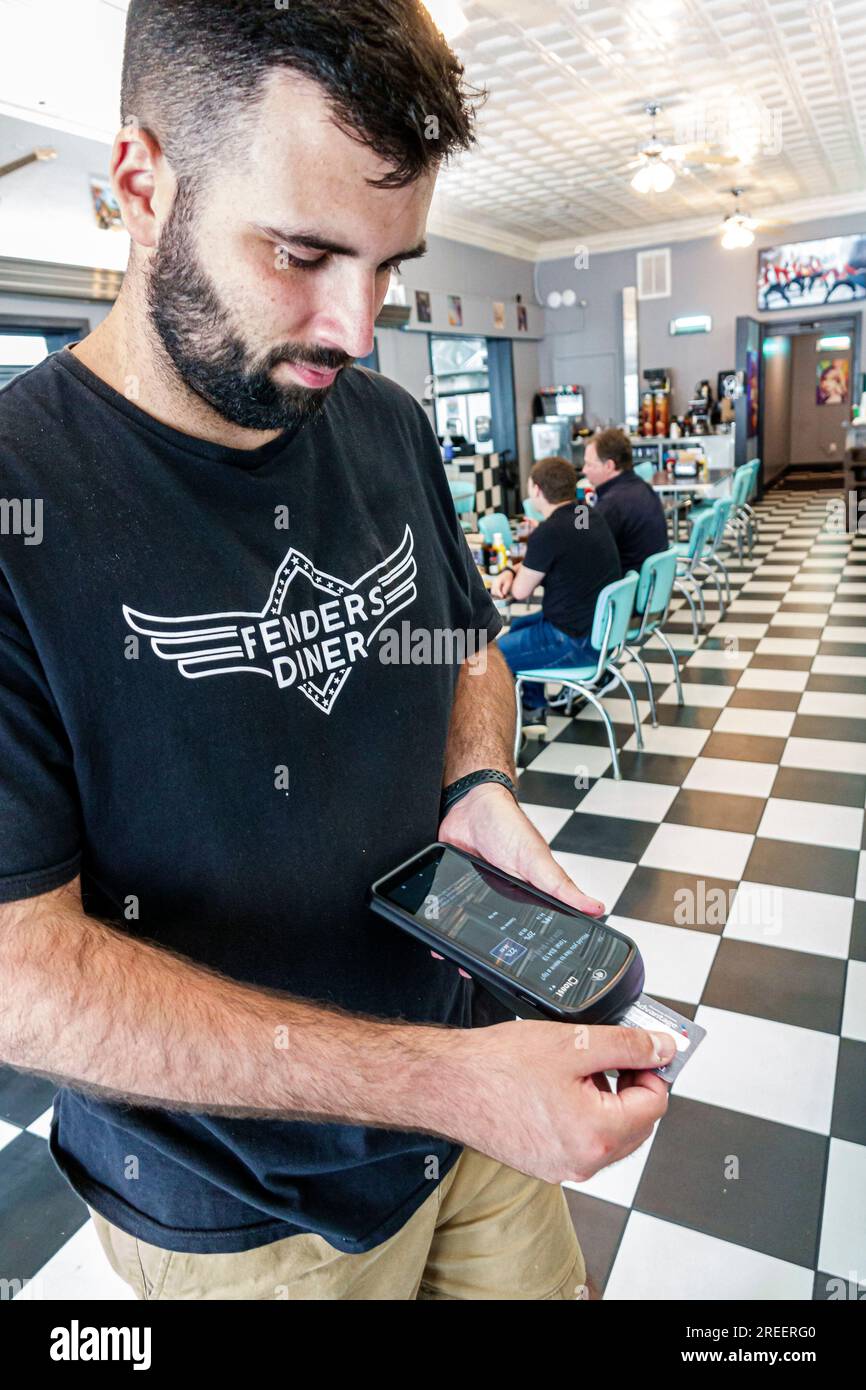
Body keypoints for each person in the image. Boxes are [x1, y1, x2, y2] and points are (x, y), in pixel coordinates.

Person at [0, 0, 673, 1302]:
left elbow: (468, 646)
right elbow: (20, 974)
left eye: (389, 267)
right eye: (302, 252)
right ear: (140, 182)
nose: (355, 331)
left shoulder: (378, 421)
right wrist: (445, 1080)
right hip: (246, 1206)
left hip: (473, 1089)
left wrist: (474, 785)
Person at [492, 456, 621, 731]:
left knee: (493, 658)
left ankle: (502, 729)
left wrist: (507, 570)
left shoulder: (549, 534)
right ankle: (533, 708)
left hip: (573, 641)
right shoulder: (586, 514)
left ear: (537, 489)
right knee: (520, 624)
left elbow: (520, 591)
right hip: (598, 634)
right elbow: (571, 545)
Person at [582, 428, 669, 572]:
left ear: (609, 466)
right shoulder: (642, 487)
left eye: (589, 464)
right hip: (651, 583)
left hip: (626, 588)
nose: (584, 470)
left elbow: (583, 544)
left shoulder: (612, 503)